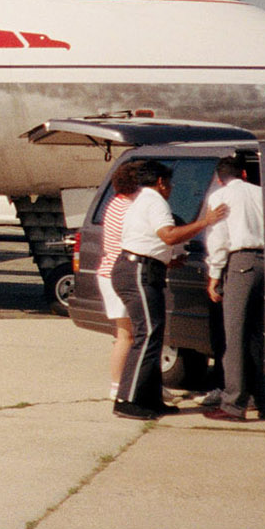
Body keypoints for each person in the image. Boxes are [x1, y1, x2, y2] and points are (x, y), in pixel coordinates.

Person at [112, 160, 229, 419]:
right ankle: (126, 400)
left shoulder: (142, 200)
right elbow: (169, 235)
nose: (172, 188)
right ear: (161, 182)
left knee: (153, 336)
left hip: (142, 268)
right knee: (147, 335)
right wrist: (205, 222)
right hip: (138, 271)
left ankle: (150, 399)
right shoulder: (155, 201)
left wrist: (168, 259)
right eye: (170, 183)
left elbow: (151, 239)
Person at [203, 156, 265, 421]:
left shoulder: (220, 196)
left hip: (240, 261)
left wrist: (214, 274)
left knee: (234, 338)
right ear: (244, 173)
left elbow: (219, 238)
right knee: (257, 337)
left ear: (220, 179)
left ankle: (234, 403)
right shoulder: (262, 193)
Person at [96, 162, 141, 402]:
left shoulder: (114, 203)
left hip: (107, 273)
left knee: (125, 334)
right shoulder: (129, 207)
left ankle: (123, 382)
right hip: (119, 274)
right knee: (127, 336)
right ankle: (117, 385)